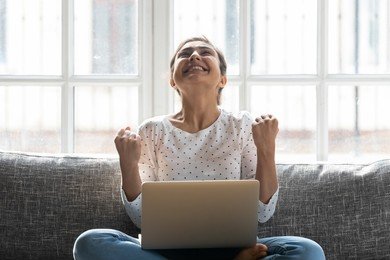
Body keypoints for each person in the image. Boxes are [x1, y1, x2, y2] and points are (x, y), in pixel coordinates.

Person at [73, 36, 325, 260]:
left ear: (222, 79)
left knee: (306, 251)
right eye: (184, 54)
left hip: (233, 247)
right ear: (173, 80)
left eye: (205, 52)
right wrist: (127, 165)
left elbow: (263, 212)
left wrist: (266, 148)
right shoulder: (152, 130)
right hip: (166, 252)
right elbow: (141, 219)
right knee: (91, 242)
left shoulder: (242, 125)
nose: (194, 56)